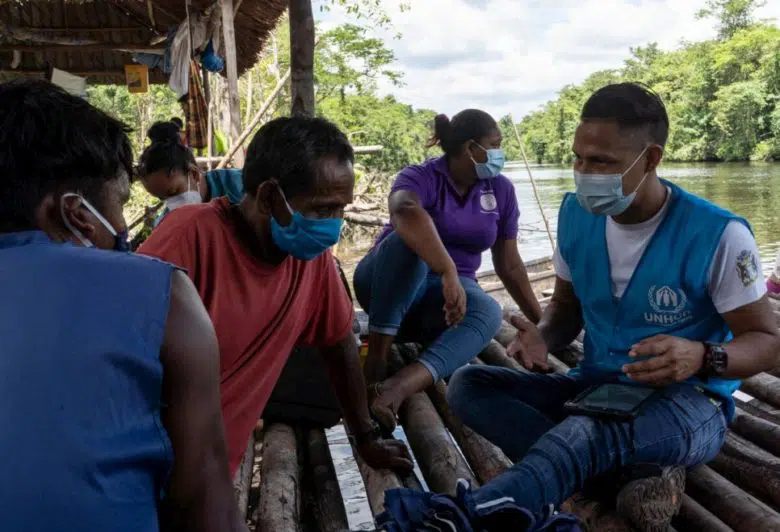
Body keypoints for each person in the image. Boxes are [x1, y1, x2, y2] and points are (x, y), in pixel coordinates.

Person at [408, 82, 780, 529]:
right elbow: (565, 310)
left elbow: (765, 341)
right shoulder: (575, 215)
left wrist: (703, 356)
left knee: (587, 433)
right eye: (578, 158)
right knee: (470, 386)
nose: (584, 172)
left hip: (689, 403)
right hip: (598, 391)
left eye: (602, 161)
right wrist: (542, 337)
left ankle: (468, 516)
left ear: (651, 159)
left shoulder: (717, 234)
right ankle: (626, 474)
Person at [0, 79, 245, 532]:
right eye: (120, 206)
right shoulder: (160, 293)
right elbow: (204, 501)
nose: (121, 226)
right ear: (75, 214)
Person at [138, 116, 413, 477]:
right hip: (154, 466)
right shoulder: (187, 238)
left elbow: (340, 341)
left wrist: (365, 436)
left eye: (341, 209)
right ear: (269, 197)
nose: (333, 226)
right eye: (323, 209)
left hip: (213, 468)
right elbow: (125, 365)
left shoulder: (310, 259)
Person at [353, 109, 542, 432]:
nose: (499, 153)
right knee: (407, 244)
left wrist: (542, 323)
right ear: (471, 149)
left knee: (488, 311)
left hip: (444, 305)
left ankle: (398, 385)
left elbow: (509, 264)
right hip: (386, 287)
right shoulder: (420, 176)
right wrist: (447, 269)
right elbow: (403, 210)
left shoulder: (501, 190)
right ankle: (377, 362)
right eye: (494, 145)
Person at [137, 120, 244, 226]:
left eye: (174, 192)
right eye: (163, 198)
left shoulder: (241, 185)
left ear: (193, 174)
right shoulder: (169, 221)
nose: (172, 203)